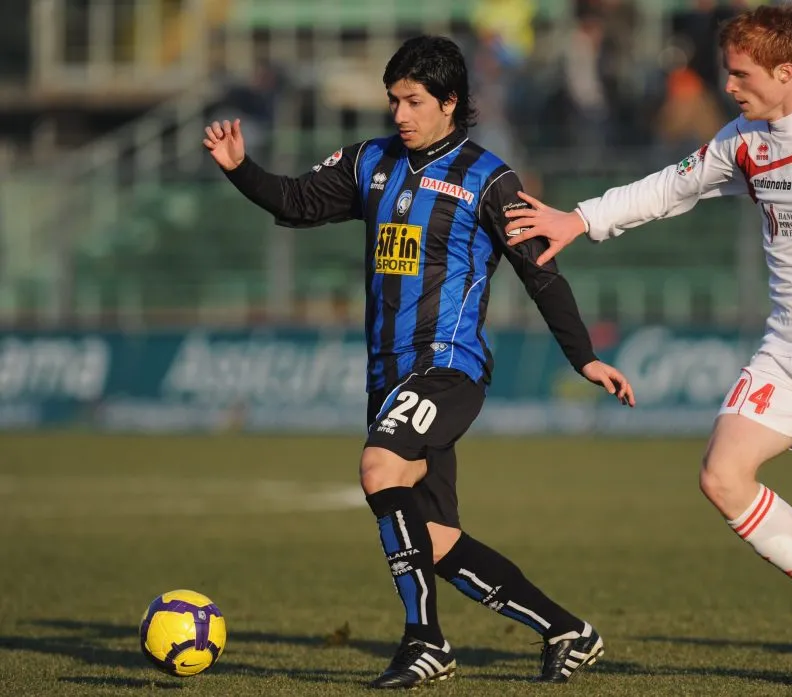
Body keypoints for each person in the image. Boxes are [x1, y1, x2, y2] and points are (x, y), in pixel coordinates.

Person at [504, 4, 792, 683]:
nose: (729, 85)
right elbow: (671, 186)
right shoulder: (745, 139)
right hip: (787, 349)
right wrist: (582, 219)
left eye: (740, 73)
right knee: (722, 475)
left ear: (787, 72)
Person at [204, 35, 633, 688]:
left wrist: (584, 357)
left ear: (450, 102)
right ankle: (566, 629)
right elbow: (294, 201)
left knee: (378, 468)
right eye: (393, 101)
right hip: (388, 376)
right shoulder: (369, 162)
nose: (399, 114)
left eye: (412, 101)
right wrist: (241, 168)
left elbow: (540, 271)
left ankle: (424, 640)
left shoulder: (489, 179)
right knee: (431, 537)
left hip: (448, 368)